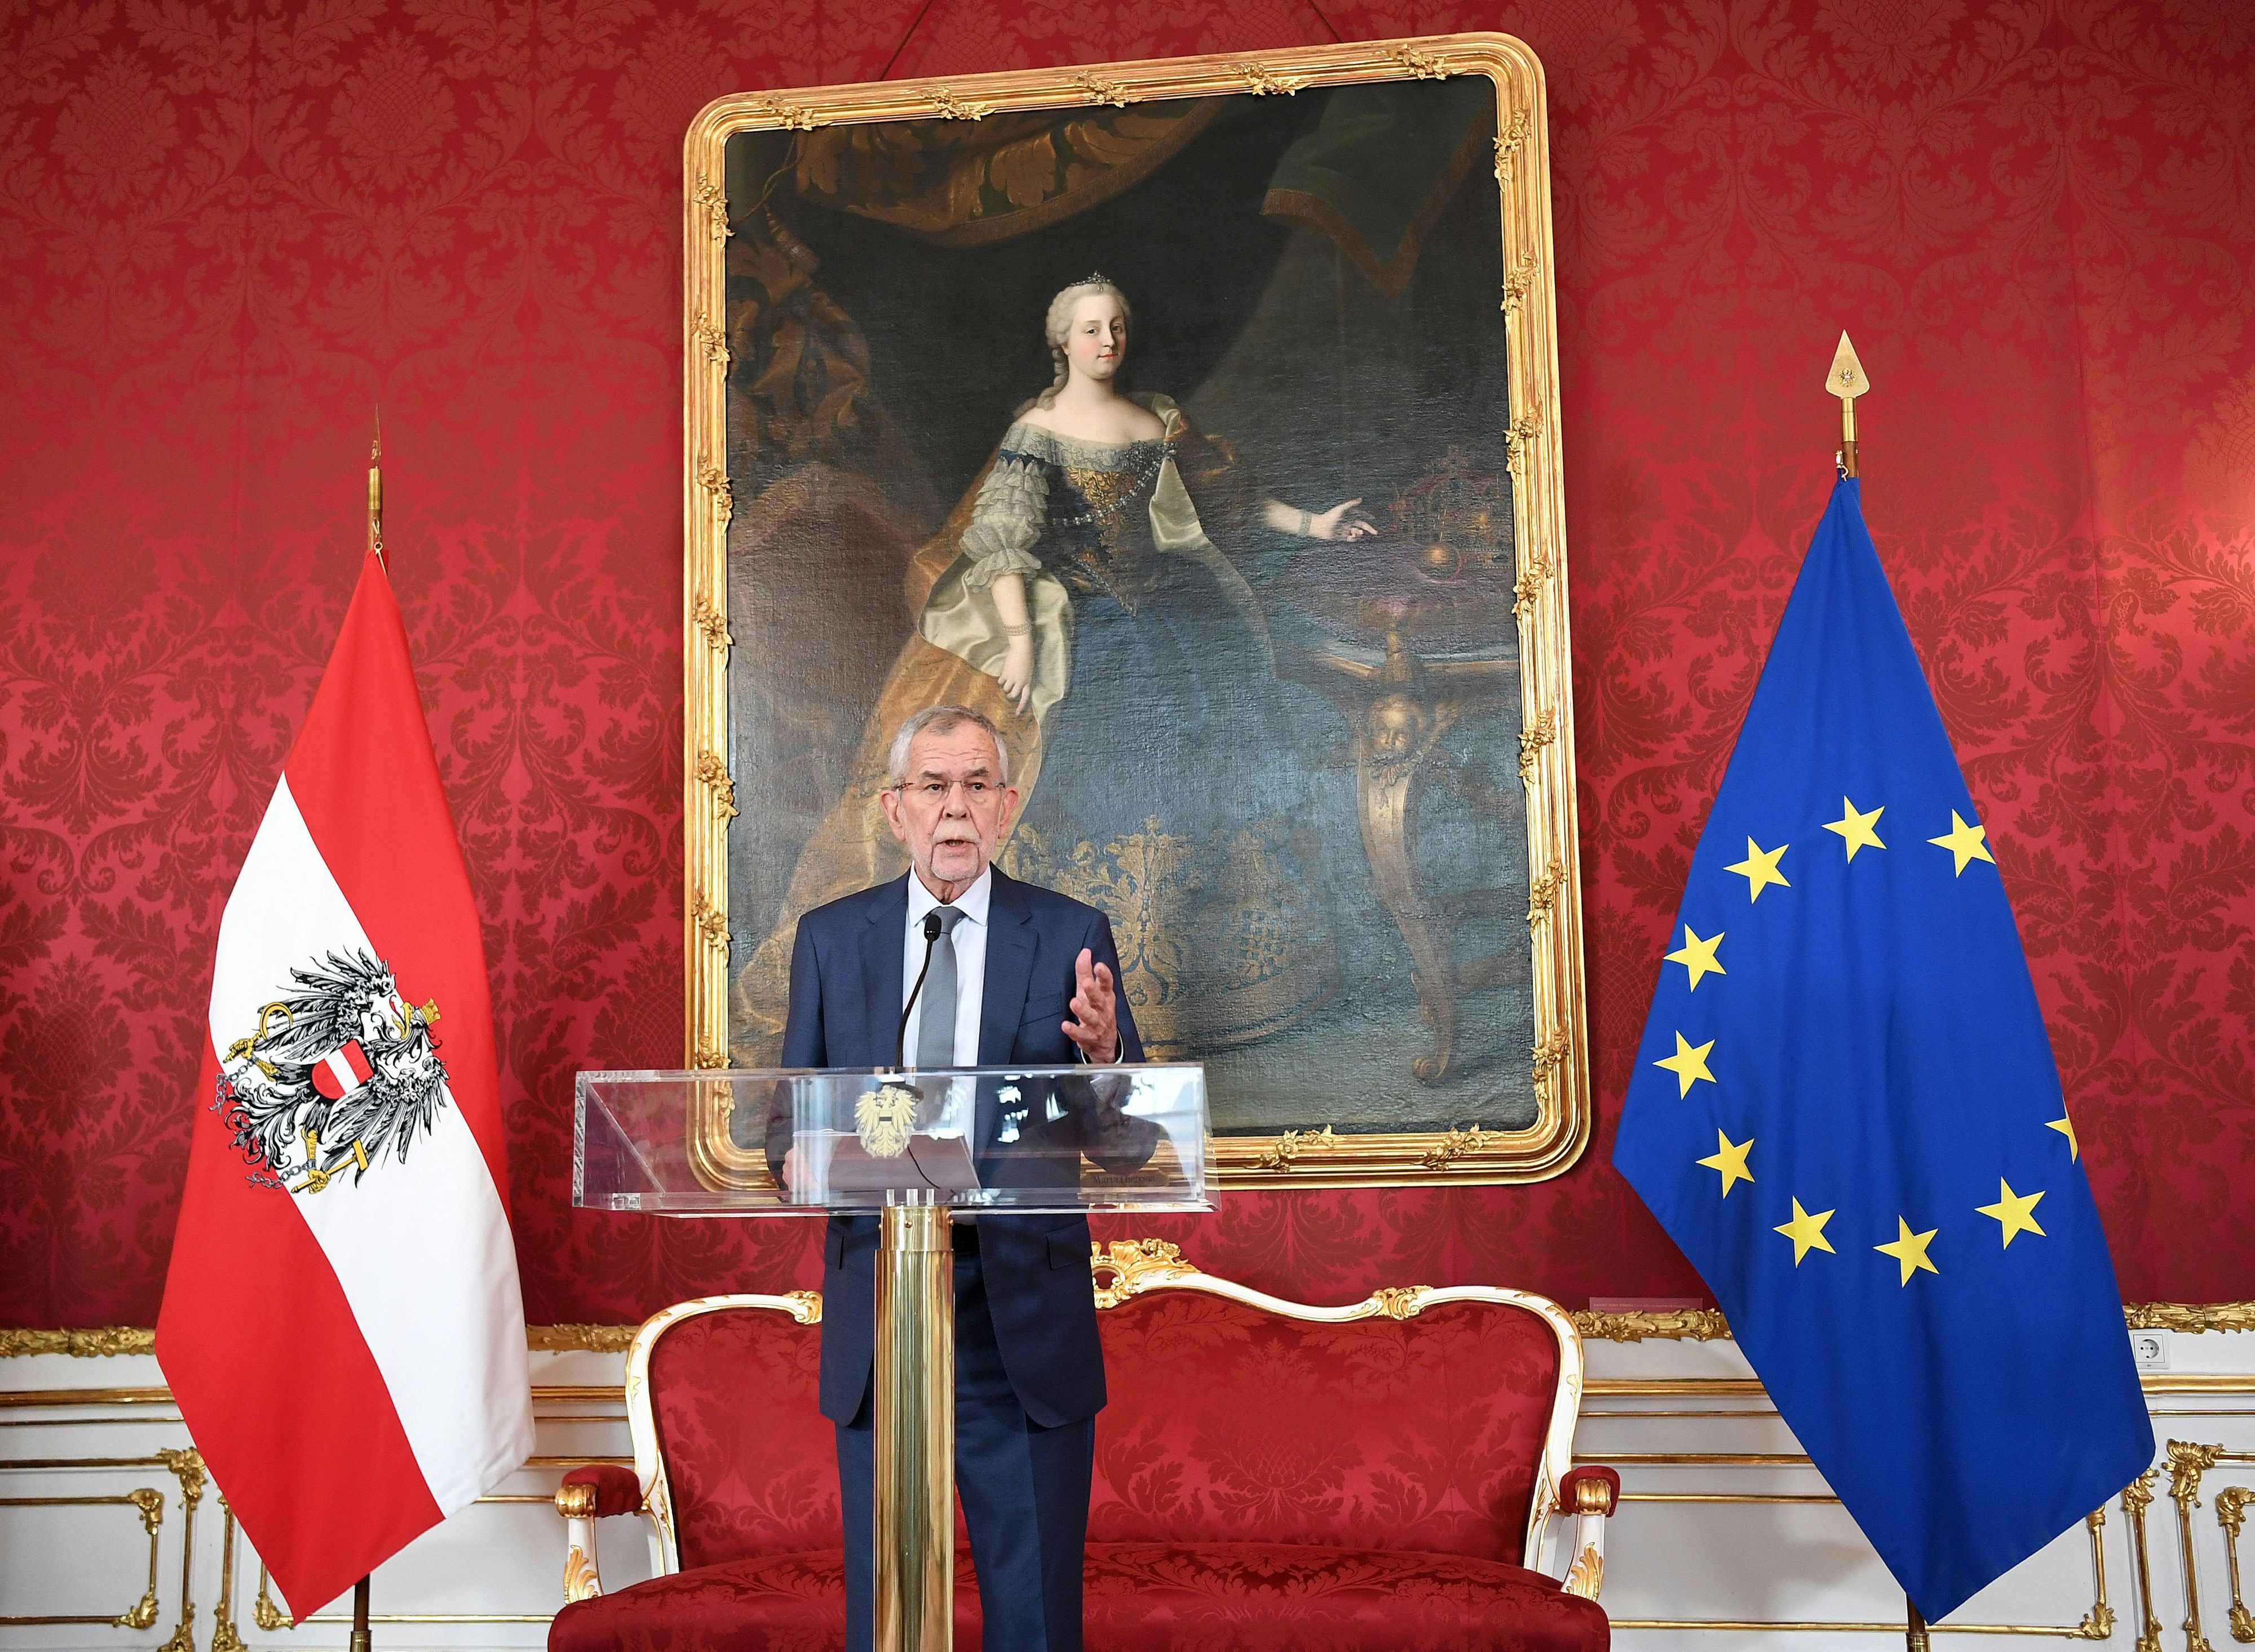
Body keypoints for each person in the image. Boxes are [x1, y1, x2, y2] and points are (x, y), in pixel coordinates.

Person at [737, 274, 1370, 1065]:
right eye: (1090, 329)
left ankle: (1225, 977)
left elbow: (1222, 506)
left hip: (1179, 613)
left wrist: (1314, 523)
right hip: (1081, 620)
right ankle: (1077, 984)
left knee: (1215, 753)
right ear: (1062, 342)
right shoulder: (1038, 430)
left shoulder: (1159, 419)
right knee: (1093, 755)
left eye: (1116, 328)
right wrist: (1023, 645)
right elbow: (1001, 543)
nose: (1107, 342)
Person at [770, 703, 1147, 1652]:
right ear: (895, 809)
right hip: (885, 1310)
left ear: (1008, 805)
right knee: (889, 1614)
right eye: (934, 787)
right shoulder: (832, 938)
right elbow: (787, 1122)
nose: (956, 808)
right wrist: (800, 1154)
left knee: (1033, 1613)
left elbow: (1129, 1145)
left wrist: (1102, 1059)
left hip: (1014, 1312)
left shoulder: (1070, 933)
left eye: (977, 785)